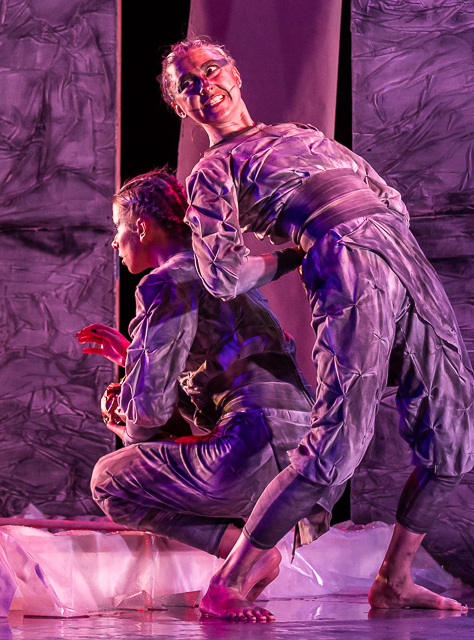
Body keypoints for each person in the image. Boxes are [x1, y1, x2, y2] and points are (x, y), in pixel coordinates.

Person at [157, 37, 474, 620]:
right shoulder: (213, 170)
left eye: (211, 69)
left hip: (402, 259)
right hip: (345, 265)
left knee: (455, 432)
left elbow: (388, 197)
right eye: (188, 84)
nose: (204, 84)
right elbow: (223, 274)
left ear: (234, 73)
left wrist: (379, 236)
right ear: (181, 106)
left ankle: (395, 579)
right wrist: (301, 251)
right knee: (337, 440)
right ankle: (228, 583)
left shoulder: (302, 133)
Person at [80, 170, 332, 600]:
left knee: (108, 480)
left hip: (255, 451)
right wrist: (132, 359)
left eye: (118, 228)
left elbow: (148, 413)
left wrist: (130, 420)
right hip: (308, 462)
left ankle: (244, 554)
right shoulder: (229, 279)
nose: (115, 243)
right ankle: (247, 558)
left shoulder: (164, 281)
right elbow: (222, 361)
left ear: (141, 227)